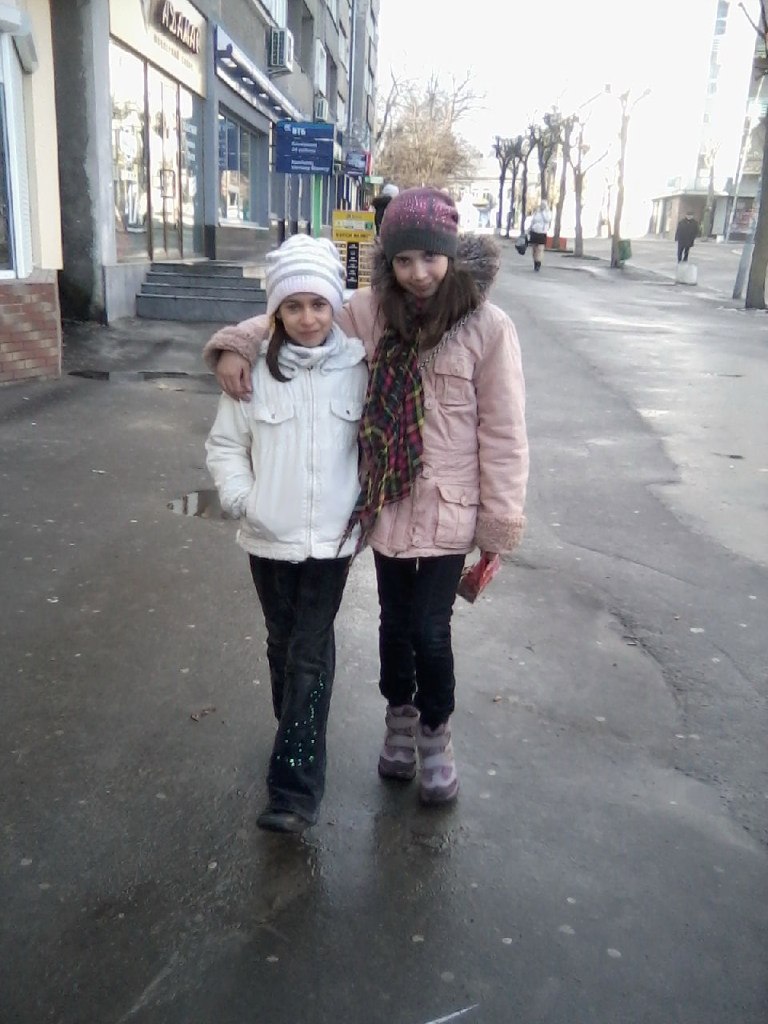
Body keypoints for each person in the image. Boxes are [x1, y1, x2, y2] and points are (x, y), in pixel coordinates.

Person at [203, 188, 529, 807]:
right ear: (389, 262)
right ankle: (399, 720)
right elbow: (298, 312)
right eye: (403, 260)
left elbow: (504, 432)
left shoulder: (487, 326)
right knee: (393, 626)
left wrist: (500, 521)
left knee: (430, 630)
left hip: (450, 508)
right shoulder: (373, 310)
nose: (418, 273)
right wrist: (233, 346)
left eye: (429, 258)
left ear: (450, 253)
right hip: (386, 504)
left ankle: (435, 733)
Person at [204, 234, 368, 834]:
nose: (308, 318)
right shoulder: (253, 374)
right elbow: (226, 446)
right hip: (268, 538)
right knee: (282, 643)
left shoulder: (359, 369)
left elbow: (372, 444)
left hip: (331, 543)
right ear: (275, 312)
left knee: (307, 653)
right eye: (293, 306)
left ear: (335, 306)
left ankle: (294, 788)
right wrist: (244, 500)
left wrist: (364, 505)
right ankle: (296, 730)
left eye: (319, 304)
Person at [525, 200, 552, 271]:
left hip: (542, 233)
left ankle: (538, 263)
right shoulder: (537, 212)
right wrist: (529, 228)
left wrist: (543, 212)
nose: (542, 206)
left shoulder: (548, 213)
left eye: (544, 205)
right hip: (534, 232)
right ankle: (535, 262)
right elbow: (533, 221)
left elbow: (547, 220)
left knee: (540, 249)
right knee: (534, 249)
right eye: (541, 204)